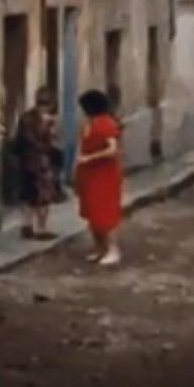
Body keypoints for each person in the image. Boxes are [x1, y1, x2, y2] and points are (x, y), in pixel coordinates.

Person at [76, 90, 124, 266]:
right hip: (89, 175)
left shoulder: (106, 124)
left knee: (106, 212)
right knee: (92, 212)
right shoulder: (89, 123)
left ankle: (113, 249)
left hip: (105, 175)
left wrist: (90, 158)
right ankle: (99, 248)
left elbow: (112, 149)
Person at [14, 88, 64, 241]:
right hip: (39, 162)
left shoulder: (26, 117)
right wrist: (48, 130)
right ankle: (40, 228)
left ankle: (27, 225)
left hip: (25, 161)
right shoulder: (38, 120)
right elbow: (38, 141)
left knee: (28, 195)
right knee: (42, 196)